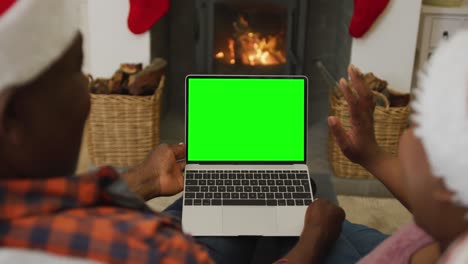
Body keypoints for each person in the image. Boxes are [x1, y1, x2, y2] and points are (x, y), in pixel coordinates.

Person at [0, 1, 348, 263]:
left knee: (214, 202)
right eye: (77, 70)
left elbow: (60, 203)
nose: (88, 95)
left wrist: (146, 179)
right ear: (12, 116)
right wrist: (312, 242)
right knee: (331, 233)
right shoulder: (154, 248)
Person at [328, 31, 468, 262]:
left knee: (287, 236)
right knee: (337, 226)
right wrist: (372, 155)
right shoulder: (451, 220)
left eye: (418, 123)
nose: (407, 134)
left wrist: (309, 243)